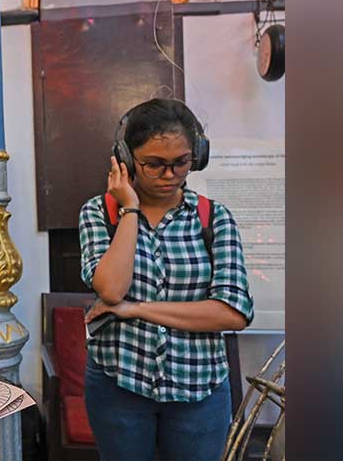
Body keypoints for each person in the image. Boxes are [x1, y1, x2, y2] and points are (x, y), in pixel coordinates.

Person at [79, 98, 254, 461]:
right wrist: (129, 209)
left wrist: (137, 309)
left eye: (181, 163)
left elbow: (233, 312)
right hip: (119, 383)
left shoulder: (214, 218)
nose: (170, 175)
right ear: (127, 160)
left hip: (198, 390)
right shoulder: (100, 212)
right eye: (154, 164)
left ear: (197, 156)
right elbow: (111, 289)